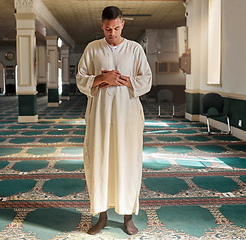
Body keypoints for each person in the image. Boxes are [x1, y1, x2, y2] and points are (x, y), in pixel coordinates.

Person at [76, 6, 152, 235]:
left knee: (127, 164)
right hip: (100, 117)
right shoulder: (92, 49)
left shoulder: (135, 49)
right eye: (108, 29)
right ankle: (102, 216)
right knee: (100, 162)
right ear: (102, 25)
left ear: (123, 24)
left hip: (127, 118)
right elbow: (80, 79)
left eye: (117, 28)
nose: (112, 33)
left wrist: (127, 81)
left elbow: (146, 80)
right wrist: (102, 78)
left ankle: (128, 217)